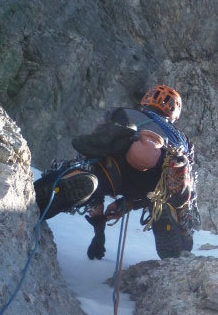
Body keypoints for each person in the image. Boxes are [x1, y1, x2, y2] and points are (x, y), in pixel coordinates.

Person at [33, 85, 200, 259]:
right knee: (163, 199)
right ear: (174, 113)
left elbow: (96, 148)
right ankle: (173, 219)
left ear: (147, 100)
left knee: (90, 179)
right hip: (152, 183)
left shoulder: (124, 114)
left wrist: (99, 232)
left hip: (114, 172)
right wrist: (126, 205)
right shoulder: (182, 141)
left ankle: (63, 184)